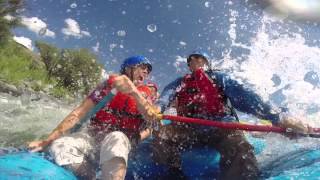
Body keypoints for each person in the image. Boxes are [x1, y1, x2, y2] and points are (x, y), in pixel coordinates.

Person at [152, 50, 311, 179]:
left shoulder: (219, 78)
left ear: (207, 63)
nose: (194, 62)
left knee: (239, 148)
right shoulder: (180, 82)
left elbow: (246, 97)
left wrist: (278, 118)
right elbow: (166, 96)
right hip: (189, 128)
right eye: (191, 60)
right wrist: (157, 108)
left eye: (199, 59)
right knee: (163, 136)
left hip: (223, 127)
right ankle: (173, 174)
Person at [28, 55, 160, 180]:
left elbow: (152, 119)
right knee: (60, 145)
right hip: (93, 136)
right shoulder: (107, 87)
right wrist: (46, 141)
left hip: (121, 142)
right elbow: (79, 113)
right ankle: (91, 177)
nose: (145, 72)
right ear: (128, 68)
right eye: (142, 67)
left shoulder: (145, 96)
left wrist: (134, 92)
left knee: (117, 137)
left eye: (147, 70)